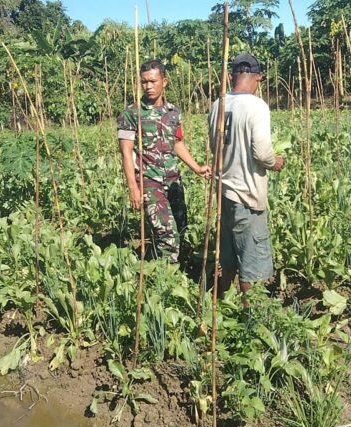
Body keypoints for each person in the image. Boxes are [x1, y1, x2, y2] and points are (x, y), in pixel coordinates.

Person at [118, 59, 211, 264]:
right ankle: (167, 279)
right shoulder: (131, 113)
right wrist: (133, 187)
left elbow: (177, 143)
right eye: (144, 82)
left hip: (173, 180)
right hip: (149, 182)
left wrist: (196, 168)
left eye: (153, 81)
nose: (148, 87)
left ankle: (170, 265)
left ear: (164, 81)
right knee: (167, 234)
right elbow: (126, 153)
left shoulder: (173, 113)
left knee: (181, 226)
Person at [208, 53, 285, 294]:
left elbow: (214, 146)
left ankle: (222, 303)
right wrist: (276, 163)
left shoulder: (218, 104)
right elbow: (262, 153)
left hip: (224, 193)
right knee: (251, 264)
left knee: (228, 257)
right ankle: (250, 320)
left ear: (233, 76)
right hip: (246, 196)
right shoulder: (256, 106)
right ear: (257, 78)